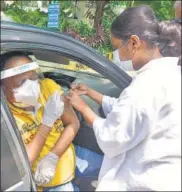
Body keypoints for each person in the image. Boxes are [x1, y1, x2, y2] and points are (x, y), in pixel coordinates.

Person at [66, 5, 181, 191]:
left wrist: (83, 108)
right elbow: (126, 110)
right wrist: (90, 93)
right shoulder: (170, 72)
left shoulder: (145, 86)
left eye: (118, 47)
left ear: (134, 43)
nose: (117, 55)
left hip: (145, 181)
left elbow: (112, 138)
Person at [0, 51, 103, 191]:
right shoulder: (5, 115)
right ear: (4, 89)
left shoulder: (47, 87)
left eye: (33, 77)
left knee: (113, 167)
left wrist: (53, 156)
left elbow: (73, 123)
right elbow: (23, 163)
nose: (32, 85)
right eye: (22, 82)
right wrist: (47, 123)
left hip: (70, 154)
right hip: (47, 178)